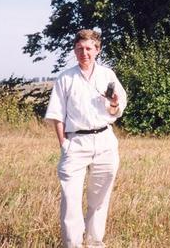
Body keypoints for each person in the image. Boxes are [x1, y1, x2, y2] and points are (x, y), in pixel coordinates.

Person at [44, 28, 127, 248]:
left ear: (97, 50)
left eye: (89, 48)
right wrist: (64, 144)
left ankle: (94, 243)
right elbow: (56, 114)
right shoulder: (65, 78)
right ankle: (72, 244)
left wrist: (115, 102)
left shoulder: (107, 75)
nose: (84, 53)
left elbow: (115, 110)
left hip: (104, 140)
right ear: (74, 50)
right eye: (80, 48)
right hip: (76, 142)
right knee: (71, 199)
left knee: (99, 198)